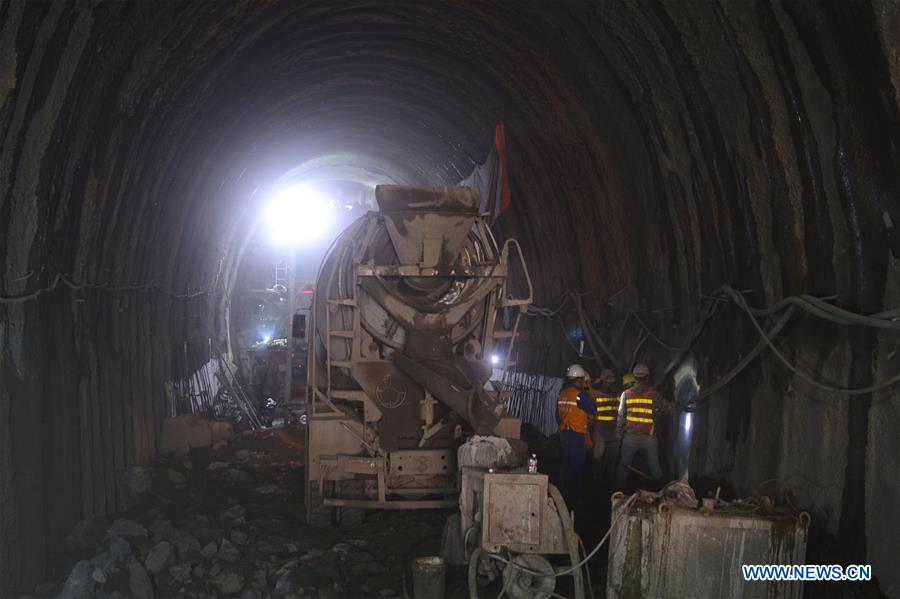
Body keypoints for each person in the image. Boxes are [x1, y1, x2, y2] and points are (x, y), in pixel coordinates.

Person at [615, 363, 672, 490]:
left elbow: (620, 417)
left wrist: (619, 437)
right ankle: (662, 495)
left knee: (624, 468)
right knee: (655, 469)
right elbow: (668, 409)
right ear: (647, 377)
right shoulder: (654, 394)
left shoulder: (626, 394)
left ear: (634, 377)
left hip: (630, 438)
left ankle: (618, 496)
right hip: (649, 438)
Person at [557, 364, 593, 509]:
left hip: (564, 433)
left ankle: (562, 494)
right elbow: (592, 409)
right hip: (576, 435)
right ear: (579, 379)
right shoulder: (581, 394)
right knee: (577, 467)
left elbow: (557, 416)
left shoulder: (563, 393)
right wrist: (589, 390)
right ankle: (573, 499)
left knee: (566, 464)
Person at [590, 369, 620, 487]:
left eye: (611, 382)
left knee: (612, 458)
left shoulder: (615, 394)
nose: (610, 384)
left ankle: (609, 484)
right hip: (600, 430)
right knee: (598, 457)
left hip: (612, 431)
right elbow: (586, 390)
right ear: (602, 382)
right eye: (608, 382)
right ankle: (596, 482)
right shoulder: (596, 394)